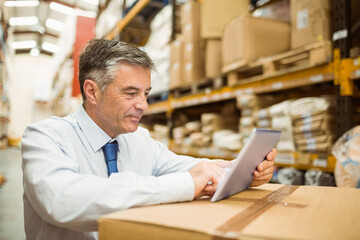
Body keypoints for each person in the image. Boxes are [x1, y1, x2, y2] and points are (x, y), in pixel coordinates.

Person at [21, 39, 277, 240]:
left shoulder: (139, 140)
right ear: (92, 91)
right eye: (131, 93)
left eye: (145, 93)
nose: (143, 105)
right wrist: (188, 183)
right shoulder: (46, 137)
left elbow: (189, 167)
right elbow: (62, 202)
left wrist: (241, 170)